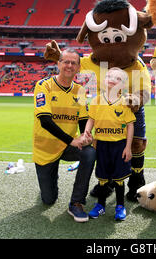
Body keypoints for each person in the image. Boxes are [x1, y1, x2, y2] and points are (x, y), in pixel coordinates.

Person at [32, 48, 96, 223]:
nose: (69, 65)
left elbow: (83, 120)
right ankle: (51, 177)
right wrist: (73, 140)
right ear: (58, 63)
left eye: (73, 63)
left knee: (89, 152)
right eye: (66, 61)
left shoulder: (80, 91)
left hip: (68, 146)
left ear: (77, 67)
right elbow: (45, 121)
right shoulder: (43, 85)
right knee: (48, 200)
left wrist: (86, 136)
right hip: (46, 149)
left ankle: (76, 203)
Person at [84, 67, 135, 221]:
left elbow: (130, 125)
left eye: (118, 78)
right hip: (101, 146)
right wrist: (87, 132)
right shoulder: (96, 100)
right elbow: (91, 119)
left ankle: (120, 206)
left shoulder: (125, 102)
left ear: (123, 85)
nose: (113, 79)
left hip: (119, 145)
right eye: (110, 76)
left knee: (119, 178)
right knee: (102, 177)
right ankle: (100, 205)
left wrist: (128, 147)